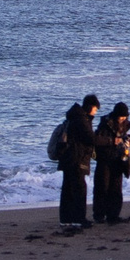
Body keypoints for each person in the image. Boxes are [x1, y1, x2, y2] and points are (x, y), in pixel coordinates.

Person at [49, 95, 98, 226]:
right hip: (77, 159)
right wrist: (108, 141)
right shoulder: (81, 120)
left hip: (67, 159)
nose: (95, 112)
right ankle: (78, 219)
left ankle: (65, 219)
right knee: (79, 189)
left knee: (67, 189)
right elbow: (90, 139)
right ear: (90, 107)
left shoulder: (74, 117)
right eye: (95, 109)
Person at [93, 103, 130, 221]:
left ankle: (113, 215)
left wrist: (128, 140)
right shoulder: (105, 123)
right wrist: (113, 141)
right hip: (104, 159)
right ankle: (99, 215)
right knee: (102, 187)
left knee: (116, 188)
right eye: (121, 116)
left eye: (125, 117)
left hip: (118, 159)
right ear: (116, 115)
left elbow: (123, 136)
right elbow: (97, 140)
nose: (123, 119)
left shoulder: (125, 124)